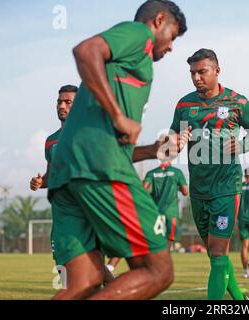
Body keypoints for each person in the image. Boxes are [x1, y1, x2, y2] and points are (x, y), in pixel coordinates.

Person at [47, 0, 188, 300]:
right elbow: (86, 50)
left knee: (83, 282)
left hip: (70, 174)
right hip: (100, 170)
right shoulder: (139, 35)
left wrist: (151, 151)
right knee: (158, 270)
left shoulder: (125, 67)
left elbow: (113, 142)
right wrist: (118, 115)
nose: (172, 47)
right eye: (173, 36)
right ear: (159, 20)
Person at [169, 48, 249, 300]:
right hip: (199, 190)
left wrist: (242, 144)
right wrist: (176, 143)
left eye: (202, 71)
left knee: (219, 252)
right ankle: (240, 299)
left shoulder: (237, 102)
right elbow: (169, 145)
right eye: (192, 73)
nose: (196, 77)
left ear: (217, 71)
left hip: (226, 186)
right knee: (215, 253)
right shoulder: (184, 104)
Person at [106, 161, 188, 274]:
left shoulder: (152, 173)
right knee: (166, 244)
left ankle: (110, 267)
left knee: (133, 238)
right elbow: (185, 192)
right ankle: (160, 271)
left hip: (153, 213)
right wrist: (176, 188)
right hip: (170, 213)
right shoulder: (177, 173)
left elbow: (143, 191)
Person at [30, 85, 78, 191]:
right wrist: (40, 182)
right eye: (59, 102)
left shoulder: (89, 134)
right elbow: (51, 176)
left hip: (87, 202)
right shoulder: (51, 141)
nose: (62, 106)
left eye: (68, 102)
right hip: (62, 203)